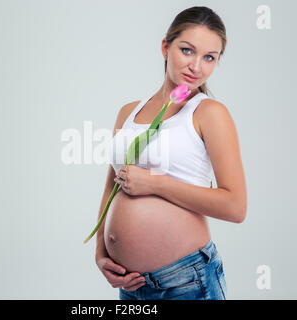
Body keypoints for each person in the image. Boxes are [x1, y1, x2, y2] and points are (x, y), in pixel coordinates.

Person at [95, 6, 247, 300]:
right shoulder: (129, 112)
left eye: (209, 57)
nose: (197, 67)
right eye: (187, 50)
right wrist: (101, 253)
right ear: (166, 47)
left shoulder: (209, 113)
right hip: (131, 285)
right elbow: (111, 188)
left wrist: (155, 183)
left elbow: (235, 207)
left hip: (185, 282)